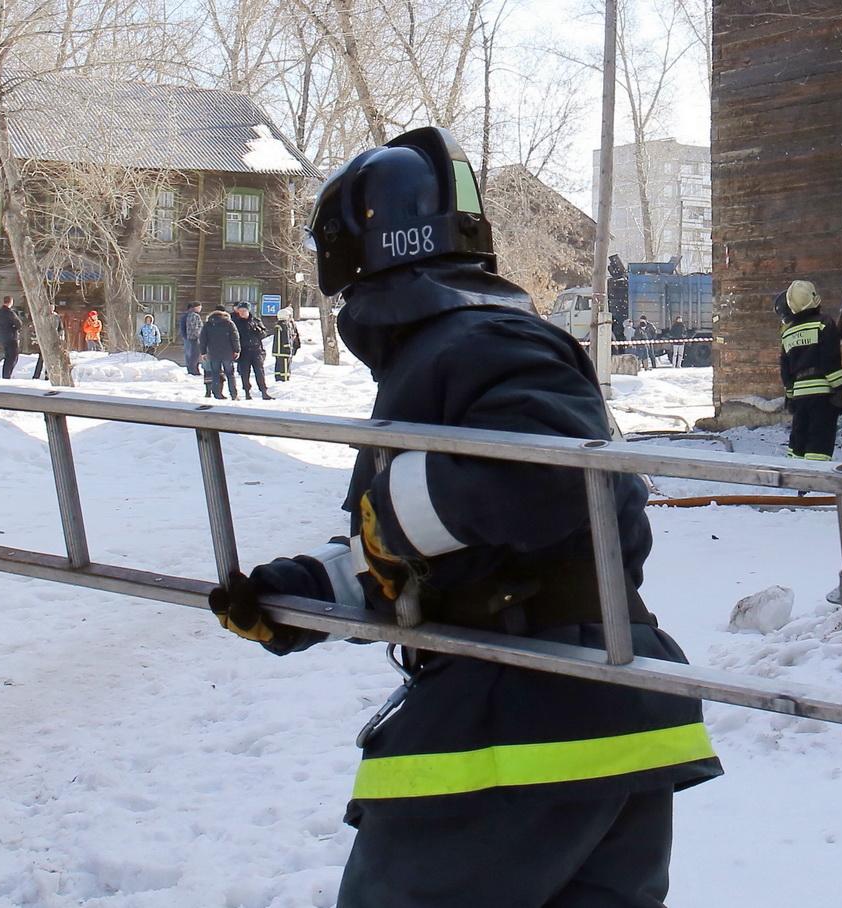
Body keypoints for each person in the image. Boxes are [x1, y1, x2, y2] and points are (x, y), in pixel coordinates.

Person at [203, 127, 719, 908]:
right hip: (596, 713)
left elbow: (552, 474)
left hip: (519, 721)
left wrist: (392, 518)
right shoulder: (459, 344)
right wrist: (297, 596)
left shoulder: (475, 339)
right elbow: (443, 554)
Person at [776, 280, 842, 461]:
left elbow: (786, 371)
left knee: (799, 438)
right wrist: (841, 389)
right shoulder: (823, 324)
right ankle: (815, 482)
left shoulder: (787, 333)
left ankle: (797, 480)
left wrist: (790, 397)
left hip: (800, 396)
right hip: (822, 395)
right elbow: (829, 361)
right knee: (819, 441)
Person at [198, 306, 240, 399]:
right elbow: (235, 338)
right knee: (230, 374)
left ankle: (217, 394)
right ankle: (233, 394)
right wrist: (237, 350)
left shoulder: (208, 324)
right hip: (227, 353)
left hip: (213, 353)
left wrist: (203, 352)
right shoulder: (229, 323)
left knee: (215, 373)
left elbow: (203, 339)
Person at [232, 303, 272, 400]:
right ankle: (247, 392)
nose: (242, 313)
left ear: (248, 311)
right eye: (240, 311)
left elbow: (264, 334)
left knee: (260, 371)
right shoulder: (235, 322)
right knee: (245, 373)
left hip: (256, 350)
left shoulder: (256, 321)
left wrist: (259, 331)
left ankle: (263, 391)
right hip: (244, 351)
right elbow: (233, 337)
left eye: (244, 311)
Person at [30, 310, 64, 380]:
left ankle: (48, 375)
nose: (51, 309)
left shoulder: (57, 317)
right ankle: (36, 375)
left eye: (52, 307)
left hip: (53, 340)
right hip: (45, 340)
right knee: (41, 358)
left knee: (51, 359)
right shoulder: (44, 316)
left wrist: (60, 335)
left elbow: (60, 328)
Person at [0, 298, 23, 379]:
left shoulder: (0, 311)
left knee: (7, 357)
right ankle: (8, 375)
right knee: (13, 357)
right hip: (11, 337)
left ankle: (5, 375)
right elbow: (19, 323)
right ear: (11, 302)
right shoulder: (10, 312)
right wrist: (15, 327)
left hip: (3, 337)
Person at [271, 315, 302, 384]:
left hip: (280, 351)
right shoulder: (284, 325)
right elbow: (286, 338)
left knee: (280, 366)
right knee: (284, 367)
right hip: (284, 351)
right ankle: (284, 380)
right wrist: (287, 347)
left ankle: (279, 379)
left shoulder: (282, 325)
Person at [178, 306, 204, 376]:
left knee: (190, 354)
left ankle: (191, 369)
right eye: (199, 307)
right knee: (194, 355)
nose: (200, 309)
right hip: (193, 338)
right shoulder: (193, 316)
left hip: (188, 337)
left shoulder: (186, 315)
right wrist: (199, 336)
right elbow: (195, 328)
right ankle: (193, 370)